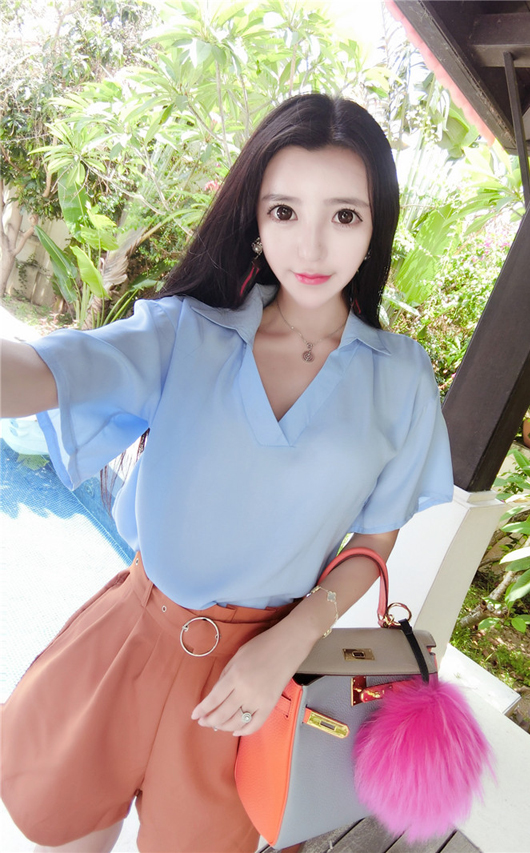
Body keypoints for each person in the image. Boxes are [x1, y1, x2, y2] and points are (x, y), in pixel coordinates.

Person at [0, 94, 453, 853]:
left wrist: (294, 638)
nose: (312, 244)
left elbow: (375, 539)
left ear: (376, 226)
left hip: (256, 676)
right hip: (129, 639)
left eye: (344, 215)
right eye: (285, 211)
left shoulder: (401, 377)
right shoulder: (188, 332)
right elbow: (47, 371)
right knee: (67, 834)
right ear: (255, 218)